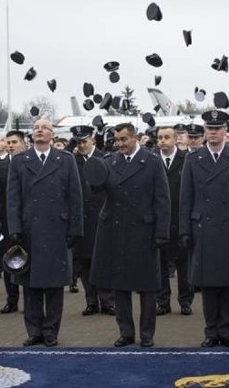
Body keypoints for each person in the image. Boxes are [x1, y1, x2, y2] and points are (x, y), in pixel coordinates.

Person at [179, 110, 229, 348]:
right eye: (209, 129)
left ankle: (227, 330)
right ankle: (211, 330)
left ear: (226, 131)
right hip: (203, 228)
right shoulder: (193, 159)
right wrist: (185, 230)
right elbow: (186, 198)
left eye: (218, 129)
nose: (213, 133)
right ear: (205, 132)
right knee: (209, 285)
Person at [91, 123, 171, 347]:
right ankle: (126, 332)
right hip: (116, 232)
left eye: (124, 139)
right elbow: (97, 189)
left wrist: (161, 232)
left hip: (144, 232)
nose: (120, 144)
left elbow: (162, 200)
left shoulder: (152, 162)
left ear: (135, 138)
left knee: (147, 288)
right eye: (117, 140)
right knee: (121, 287)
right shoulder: (109, 162)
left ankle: (147, 334)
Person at [7, 119, 83, 347]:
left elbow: (75, 196)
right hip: (29, 230)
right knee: (30, 284)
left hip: (56, 229)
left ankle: (50, 331)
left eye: (45, 127)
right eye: (36, 127)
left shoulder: (66, 160)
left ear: (53, 134)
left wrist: (74, 229)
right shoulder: (20, 161)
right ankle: (34, 331)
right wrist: (15, 228)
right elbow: (13, 198)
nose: (39, 130)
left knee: (53, 284)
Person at [71, 125, 115, 317]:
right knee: (83, 263)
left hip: (101, 217)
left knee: (103, 261)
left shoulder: (105, 159)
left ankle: (107, 301)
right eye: (78, 142)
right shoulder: (71, 161)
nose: (81, 145)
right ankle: (91, 301)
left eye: (84, 141)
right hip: (80, 218)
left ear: (93, 141)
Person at [155, 126, 193, 316]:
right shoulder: (152, 160)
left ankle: (185, 300)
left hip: (181, 218)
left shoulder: (187, 159)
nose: (162, 141)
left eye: (166, 137)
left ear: (176, 139)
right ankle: (163, 301)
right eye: (160, 137)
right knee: (160, 264)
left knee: (183, 264)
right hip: (159, 219)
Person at [0, 130, 26, 314]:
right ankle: (12, 300)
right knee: (8, 260)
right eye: (8, 142)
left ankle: (30, 300)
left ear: (23, 144)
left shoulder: (31, 162)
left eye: (14, 142)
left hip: (28, 220)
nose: (11, 145)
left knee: (28, 261)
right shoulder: (0, 166)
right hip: (6, 219)